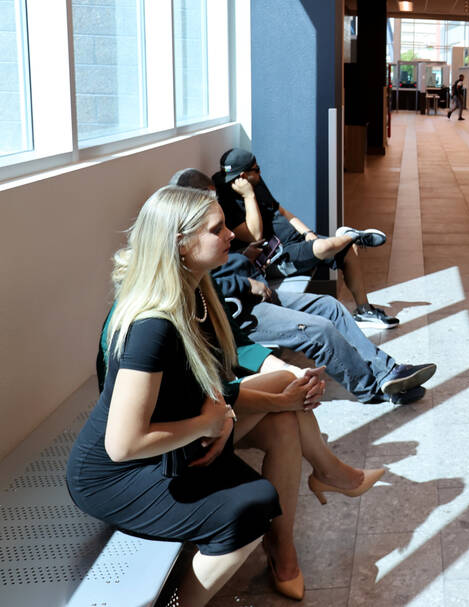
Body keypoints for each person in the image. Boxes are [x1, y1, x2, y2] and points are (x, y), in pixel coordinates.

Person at [81, 187, 386, 603]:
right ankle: (187, 598)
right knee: (257, 501)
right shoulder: (151, 324)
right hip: (126, 472)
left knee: (283, 416)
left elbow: (202, 387)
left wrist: (258, 401)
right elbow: (122, 444)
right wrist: (212, 421)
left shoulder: (198, 291)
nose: (231, 235)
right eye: (217, 229)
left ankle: (287, 545)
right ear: (180, 243)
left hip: (177, 437)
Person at [167, 170, 437, 405]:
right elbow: (211, 289)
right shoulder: (178, 253)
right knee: (319, 330)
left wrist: (244, 256)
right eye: (218, 230)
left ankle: (387, 370)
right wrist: (244, 283)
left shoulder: (203, 240)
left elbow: (218, 272)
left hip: (257, 291)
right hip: (243, 308)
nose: (229, 233)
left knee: (329, 306)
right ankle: (372, 388)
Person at [212, 147, 398, 326]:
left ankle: (364, 310)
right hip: (277, 254)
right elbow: (255, 234)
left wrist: (308, 233)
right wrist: (248, 196)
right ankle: (350, 235)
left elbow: (282, 211)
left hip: (296, 241)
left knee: (347, 249)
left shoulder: (257, 182)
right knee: (326, 247)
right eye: (256, 170)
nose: (260, 173)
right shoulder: (228, 201)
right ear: (243, 176)